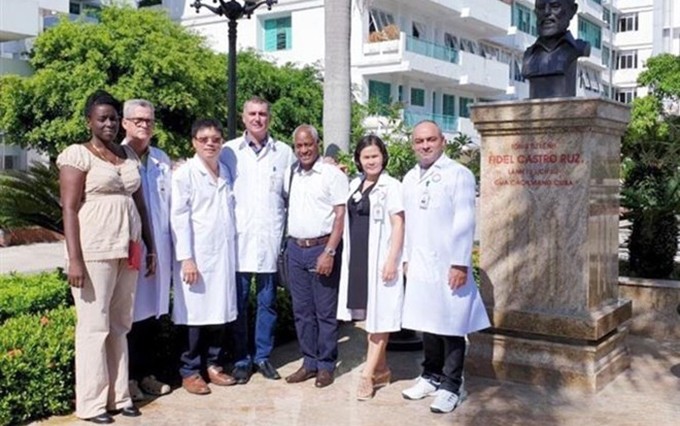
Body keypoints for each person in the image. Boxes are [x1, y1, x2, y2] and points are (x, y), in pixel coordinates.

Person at [57, 90, 156, 424]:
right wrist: (75, 260)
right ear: (89, 121)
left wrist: (150, 244)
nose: (109, 123)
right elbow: (69, 209)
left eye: (114, 118)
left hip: (127, 249)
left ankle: (119, 396)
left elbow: (141, 204)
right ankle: (92, 403)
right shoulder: (77, 155)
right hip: (94, 251)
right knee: (93, 327)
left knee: (119, 325)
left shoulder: (128, 154)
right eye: (103, 118)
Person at [400, 121, 490, 414]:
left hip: (449, 263)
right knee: (428, 322)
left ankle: (452, 385)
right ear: (413, 144)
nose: (425, 145)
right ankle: (430, 375)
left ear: (442, 142)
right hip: (420, 262)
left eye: (430, 140)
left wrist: (460, 263)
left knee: (452, 325)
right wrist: (405, 258)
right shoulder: (410, 178)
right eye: (419, 141)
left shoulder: (458, 175)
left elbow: (465, 220)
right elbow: (409, 223)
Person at [220, 97, 294, 383]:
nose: (258, 118)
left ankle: (262, 357)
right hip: (238, 241)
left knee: (268, 304)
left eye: (263, 114)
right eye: (252, 113)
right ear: (243, 117)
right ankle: (241, 359)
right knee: (238, 304)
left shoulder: (284, 153)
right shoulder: (229, 151)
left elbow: (291, 194)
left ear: (269, 118)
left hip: (269, 242)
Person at [170, 119, 238, 395]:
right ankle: (190, 371)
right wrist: (186, 257)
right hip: (196, 256)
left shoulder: (226, 172)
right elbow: (179, 217)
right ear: (194, 143)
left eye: (215, 139)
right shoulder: (184, 174)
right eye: (204, 139)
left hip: (222, 255)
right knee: (194, 316)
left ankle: (213, 365)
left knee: (218, 313)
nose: (210, 143)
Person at [336, 135, 405, 400]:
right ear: (359, 160)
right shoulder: (355, 184)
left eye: (375, 156)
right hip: (359, 260)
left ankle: (367, 376)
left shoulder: (392, 186)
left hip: (381, 259)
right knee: (371, 317)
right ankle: (383, 369)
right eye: (366, 157)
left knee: (381, 317)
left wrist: (391, 260)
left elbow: (399, 224)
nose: (371, 161)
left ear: (383, 157)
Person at [284, 124, 348, 388]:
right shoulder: (292, 173)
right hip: (295, 249)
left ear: (317, 144)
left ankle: (325, 365)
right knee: (302, 311)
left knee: (324, 312)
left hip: (321, 248)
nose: (303, 150)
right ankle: (309, 363)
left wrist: (330, 251)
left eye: (308, 144)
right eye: (299, 146)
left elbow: (340, 215)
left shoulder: (331, 174)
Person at [120, 99, 173, 400]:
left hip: (159, 252)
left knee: (152, 315)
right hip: (130, 250)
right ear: (125, 123)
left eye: (149, 120)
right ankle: (127, 379)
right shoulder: (116, 158)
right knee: (128, 316)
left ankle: (146, 375)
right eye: (137, 120)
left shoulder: (161, 160)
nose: (144, 125)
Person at [521, 0, 590, 98]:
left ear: (572, 10)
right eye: (541, 7)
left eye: (555, 6)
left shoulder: (577, 48)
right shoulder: (529, 55)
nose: (546, 12)